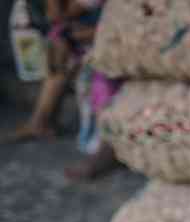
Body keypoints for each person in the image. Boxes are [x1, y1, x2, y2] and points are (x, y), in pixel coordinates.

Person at [4, 0, 120, 180]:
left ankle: (108, 149)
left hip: (115, 31)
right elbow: (57, 16)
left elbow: (60, 14)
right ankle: (41, 121)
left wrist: (70, 29)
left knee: (103, 70)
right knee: (58, 51)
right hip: (89, 27)